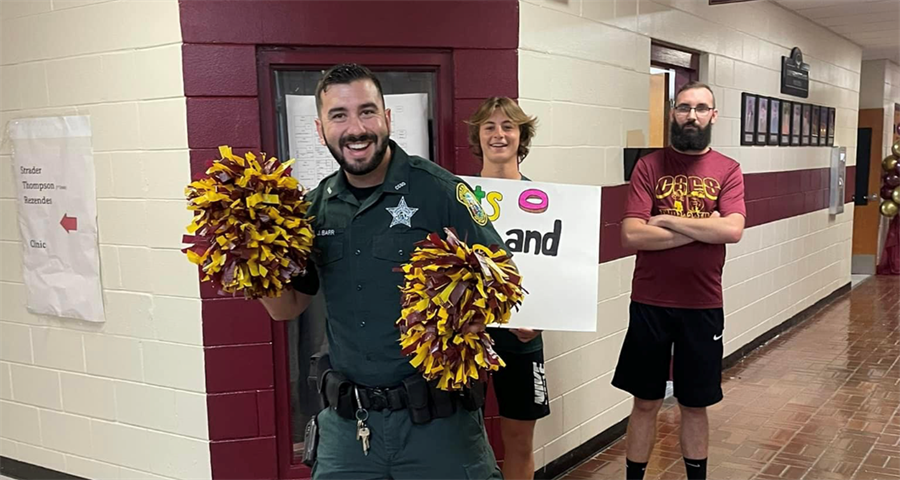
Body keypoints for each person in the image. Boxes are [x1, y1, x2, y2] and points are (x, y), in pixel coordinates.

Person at [259, 64, 505, 480]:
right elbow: (287, 308)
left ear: (387, 119)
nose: (356, 128)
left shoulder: (440, 191)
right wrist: (257, 259)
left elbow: (500, 275)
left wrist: (460, 308)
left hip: (437, 424)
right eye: (339, 115)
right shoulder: (314, 206)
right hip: (349, 428)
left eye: (367, 112)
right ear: (321, 129)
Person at [612, 81, 746, 480]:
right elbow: (632, 235)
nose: (692, 115)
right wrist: (709, 226)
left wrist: (668, 220)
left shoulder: (728, 170)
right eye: (685, 107)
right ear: (673, 113)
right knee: (645, 401)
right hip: (650, 302)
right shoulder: (649, 166)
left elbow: (734, 230)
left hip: (703, 305)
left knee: (694, 403)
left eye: (701, 108)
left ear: (713, 116)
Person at [466, 97, 549, 480]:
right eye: (490, 127)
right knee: (460, 439)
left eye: (508, 127)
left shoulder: (547, 203)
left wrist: (541, 320)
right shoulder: (457, 197)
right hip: (465, 338)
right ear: (478, 137)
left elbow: (554, 277)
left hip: (521, 338)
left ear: (521, 136)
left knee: (518, 441)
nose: (499, 135)